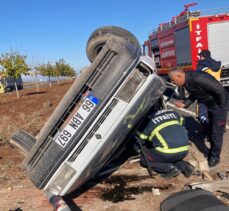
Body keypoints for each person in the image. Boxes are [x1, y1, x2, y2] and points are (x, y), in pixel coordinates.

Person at [169, 68, 228, 168]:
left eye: (173, 80)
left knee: (216, 133)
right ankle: (213, 142)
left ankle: (215, 157)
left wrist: (221, 107)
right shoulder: (187, 81)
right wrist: (185, 104)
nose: (172, 82)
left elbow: (219, 89)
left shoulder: (198, 78)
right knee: (211, 128)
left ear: (180, 76)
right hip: (210, 104)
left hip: (219, 104)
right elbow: (194, 94)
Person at [135, 105, 194, 179]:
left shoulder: (147, 120)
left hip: (167, 152)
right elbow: (182, 121)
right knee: (170, 155)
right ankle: (185, 166)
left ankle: (170, 168)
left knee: (144, 159)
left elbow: (140, 139)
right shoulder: (171, 111)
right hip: (184, 150)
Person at [196, 49, 222, 127]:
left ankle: (206, 129)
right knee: (216, 112)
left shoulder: (202, 66)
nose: (199, 58)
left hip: (205, 93)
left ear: (203, 56)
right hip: (218, 92)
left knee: (202, 113)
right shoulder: (217, 65)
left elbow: (197, 80)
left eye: (200, 56)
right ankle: (219, 128)